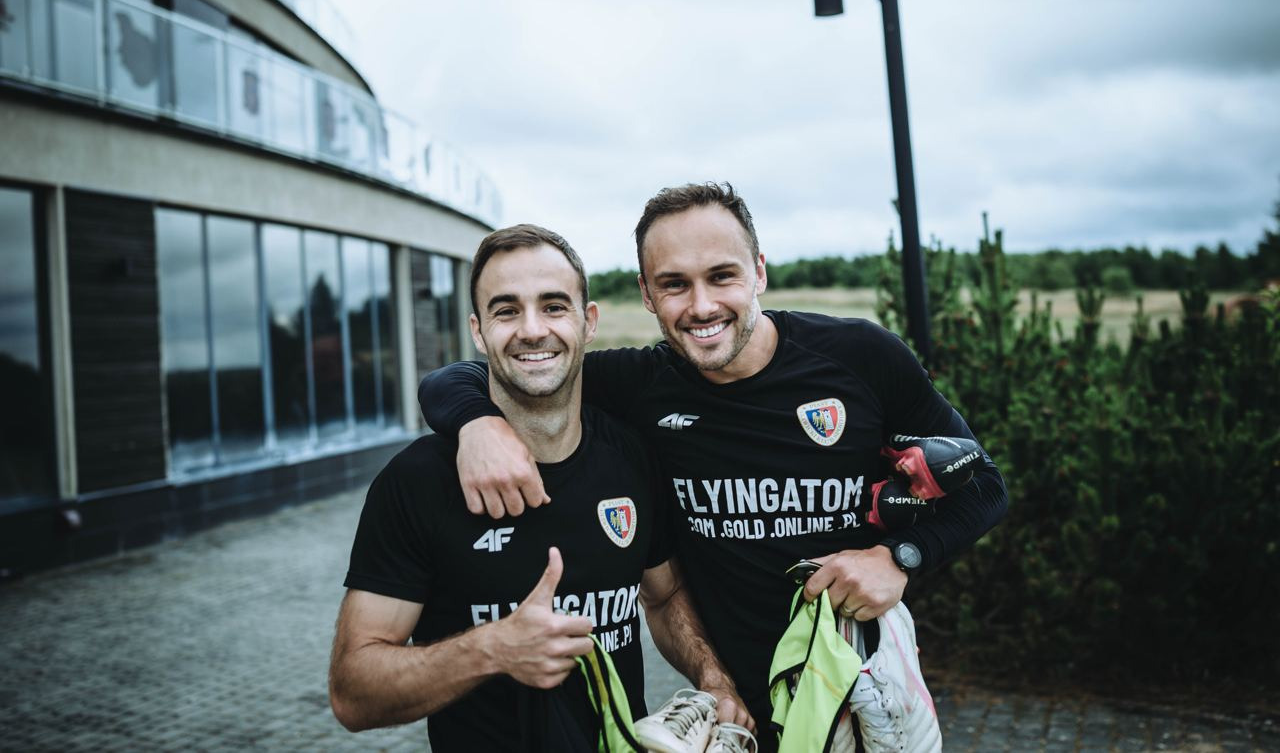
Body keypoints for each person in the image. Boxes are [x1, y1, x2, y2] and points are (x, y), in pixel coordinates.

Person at [418, 184, 1009, 749]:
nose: (701, 306)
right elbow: (461, 377)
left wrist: (899, 557)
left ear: (759, 271)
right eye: (674, 284)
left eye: (722, 276)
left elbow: (984, 485)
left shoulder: (861, 357)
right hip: (734, 718)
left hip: (858, 702)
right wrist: (479, 425)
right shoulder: (642, 384)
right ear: (647, 294)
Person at [329, 224, 753, 751]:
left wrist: (712, 677)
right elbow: (352, 692)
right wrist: (492, 649)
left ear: (588, 321)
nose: (532, 330)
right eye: (507, 311)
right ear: (478, 331)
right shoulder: (417, 480)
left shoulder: (631, 456)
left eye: (554, 306)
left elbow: (664, 595)